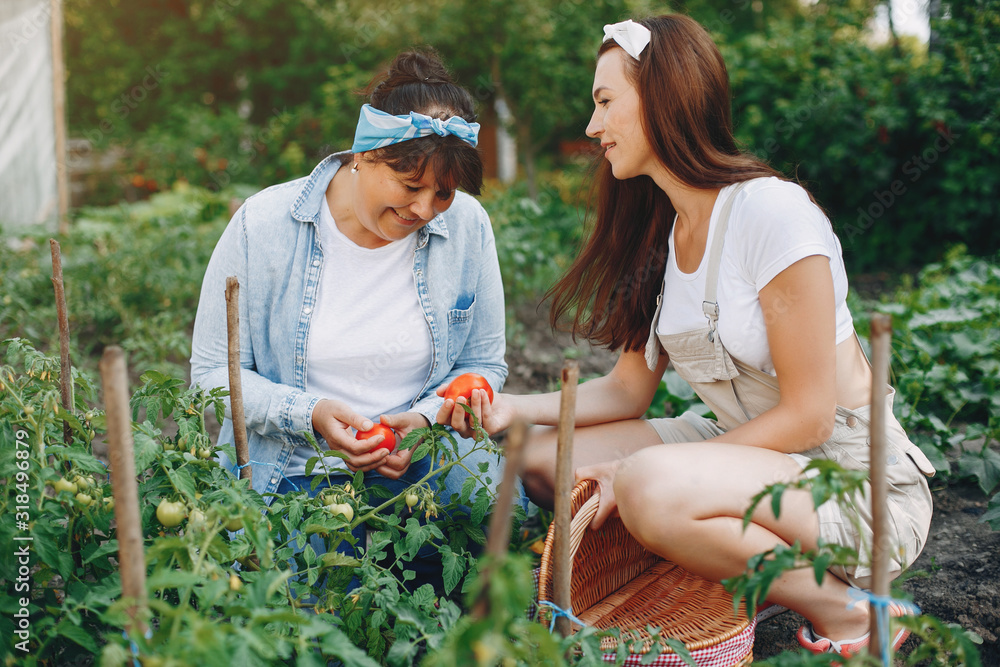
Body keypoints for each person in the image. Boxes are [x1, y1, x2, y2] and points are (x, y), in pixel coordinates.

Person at [437, 16, 935, 659]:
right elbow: (626, 390)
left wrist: (651, 470)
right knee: (537, 458)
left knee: (646, 485)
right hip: (748, 455)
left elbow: (810, 418)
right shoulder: (663, 233)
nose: (592, 127)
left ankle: (850, 612)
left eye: (605, 101)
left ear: (664, 100)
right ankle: (706, 551)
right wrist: (512, 411)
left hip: (853, 485)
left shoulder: (771, 213)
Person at [190, 50, 512, 570]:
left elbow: (485, 364)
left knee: (478, 581)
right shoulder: (263, 225)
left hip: (424, 465)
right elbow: (210, 376)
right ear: (364, 153)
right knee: (303, 620)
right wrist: (311, 414)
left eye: (443, 194)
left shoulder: (468, 227)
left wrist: (427, 419)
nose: (424, 211)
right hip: (292, 464)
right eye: (410, 186)